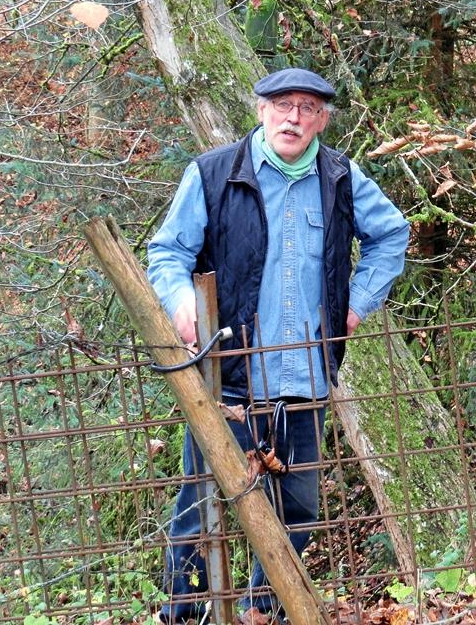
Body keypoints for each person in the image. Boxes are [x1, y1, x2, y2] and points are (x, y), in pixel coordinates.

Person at [147, 67, 409, 622]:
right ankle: (182, 617)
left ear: (323, 119)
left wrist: (355, 304)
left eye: (308, 108)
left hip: (306, 380)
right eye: (284, 105)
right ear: (261, 109)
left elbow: (392, 236)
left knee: (299, 512)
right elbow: (168, 252)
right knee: (201, 513)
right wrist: (180, 301)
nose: (295, 117)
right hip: (230, 381)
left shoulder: (340, 178)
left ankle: (261, 612)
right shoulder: (215, 174)